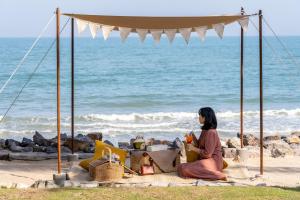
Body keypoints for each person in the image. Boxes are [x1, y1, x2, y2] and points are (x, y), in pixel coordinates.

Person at [177, 107, 226, 180]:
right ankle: (209, 172)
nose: (199, 117)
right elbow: (200, 145)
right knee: (181, 167)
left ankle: (217, 175)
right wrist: (192, 137)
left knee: (184, 170)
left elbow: (207, 154)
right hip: (205, 161)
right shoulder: (205, 130)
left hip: (213, 162)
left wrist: (193, 148)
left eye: (200, 115)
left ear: (205, 118)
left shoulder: (211, 132)